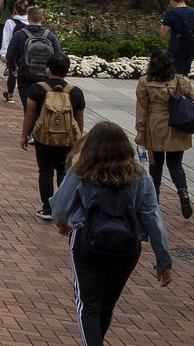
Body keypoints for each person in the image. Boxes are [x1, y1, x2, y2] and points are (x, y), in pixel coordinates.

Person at [50, 121, 174, 346]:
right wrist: (163, 261)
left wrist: (62, 223)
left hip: (88, 241)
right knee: (106, 304)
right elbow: (153, 219)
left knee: (87, 304)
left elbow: (59, 208)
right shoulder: (141, 178)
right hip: (127, 246)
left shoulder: (83, 171)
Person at [21, 55, 87, 221]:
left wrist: (24, 135)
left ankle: (47, 208)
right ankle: (64, 208)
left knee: (45, 172)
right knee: (63, 171)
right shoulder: (76, 92)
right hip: (66, 139)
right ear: (67, 70)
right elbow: (79, 118)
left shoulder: (37, 89)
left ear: (48, 69)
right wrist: (78, 139)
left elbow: (29, 115)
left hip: (43, 137)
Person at [133, 49, 194, 220]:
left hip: (155, 126)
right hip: (177, 125)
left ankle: (154, 203)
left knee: (155, 166)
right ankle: (183, 193)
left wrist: (140, 130)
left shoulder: (145, 82)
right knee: (176, 164)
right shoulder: (181, 81)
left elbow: (142, 108)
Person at [5, 6, 62, 105]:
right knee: (42, 105)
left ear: (28, 18)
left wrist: (13, 68)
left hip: (25, 74)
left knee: (27, 105)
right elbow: (59, 56)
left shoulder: (20, 34)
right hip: (45, 75)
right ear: (42, 18)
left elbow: (10, 54)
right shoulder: (50, 36)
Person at [0, 0, 33, 102]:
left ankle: (10, 94)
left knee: (12, 72)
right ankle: (29, 95)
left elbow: (6, 38)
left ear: (15, 9)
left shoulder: (10, 22)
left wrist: (4, 53)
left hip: (14, 52)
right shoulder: (31, 22)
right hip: (28, 52)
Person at [158, 0, 194, 75]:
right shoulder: (193, 12)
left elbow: (162, 34)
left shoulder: (171, 14)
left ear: (171, 0)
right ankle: (183, 87)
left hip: (176, 48)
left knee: (174, 73)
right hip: (191, 47)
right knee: (185, 72)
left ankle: (176, 88)